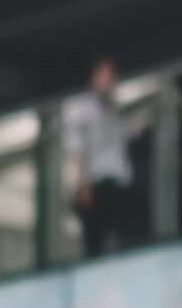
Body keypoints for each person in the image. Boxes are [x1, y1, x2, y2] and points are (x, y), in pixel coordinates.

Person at [60, 58, 147, 258]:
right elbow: (76, 148)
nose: (109, 81)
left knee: (121, 235)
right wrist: (83, 184)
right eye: (104, 75)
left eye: (111, 76)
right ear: (93, 78)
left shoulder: (112, 107)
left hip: (116, 182)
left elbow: (120, 133)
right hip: (97, 184)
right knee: (98, 240)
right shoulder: (82, 109)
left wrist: (138, 126)